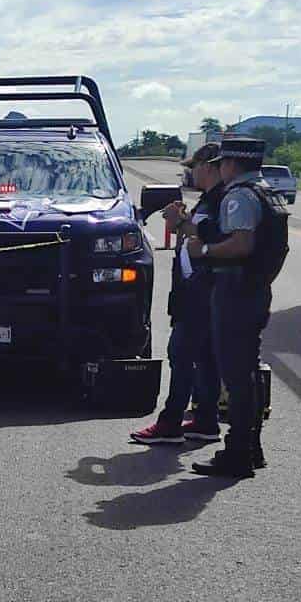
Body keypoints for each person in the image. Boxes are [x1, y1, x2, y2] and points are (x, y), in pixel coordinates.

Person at [186, 136, 288, 478]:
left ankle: (238, 452)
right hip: (254, 290)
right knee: (247, 373)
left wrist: (204, 251)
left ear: (230, 164)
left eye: (223, 163)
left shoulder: (240, 197)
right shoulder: (266, 192)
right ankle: (250, 446)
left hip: (235, 292)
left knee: (237, 376)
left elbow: (241, 244)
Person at [131, 143, 225, 445]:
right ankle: (205, 420)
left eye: (192, 167)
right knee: (205, 357)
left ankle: (171, 423)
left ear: (208, 166)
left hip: (201, 291)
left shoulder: (219, 200)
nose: (189, 173)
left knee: (181, 355)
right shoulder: (212, 198)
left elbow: (211, 235)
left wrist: (179, 222)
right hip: (199, 289)